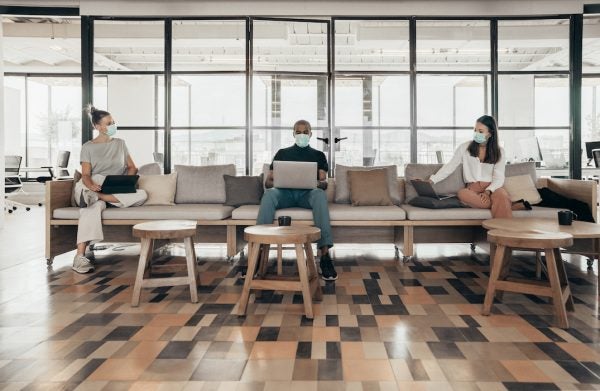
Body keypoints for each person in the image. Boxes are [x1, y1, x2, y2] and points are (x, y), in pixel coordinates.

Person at [257, 119, 337, 281]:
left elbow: (323, 183)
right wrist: (279, 182)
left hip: (306, 195)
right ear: (293, 134)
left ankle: (325, 256)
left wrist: (313, 182)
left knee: (319, 195)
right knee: (270, 194)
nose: (302, 135)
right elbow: (268, 182)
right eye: (298, 132)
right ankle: (258, 253)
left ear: (311, 134)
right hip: (284, 194)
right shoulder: (282, 153)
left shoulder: (318, 155)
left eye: (305, 132)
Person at [72, 106, 148, 273]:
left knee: (142, 194)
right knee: (91, 209)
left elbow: (132, 167)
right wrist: (91, 185)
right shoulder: (88, 147)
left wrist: (125, 182)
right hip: (94, 183)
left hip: (112, 187)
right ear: (98, 127)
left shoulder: (120, 144)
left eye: (113, 122)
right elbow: (85, 174)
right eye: (109, 123)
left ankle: (100, 197)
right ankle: (80, 257)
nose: (113, 125)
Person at [424, 115, 529, 218]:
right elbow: (450, 166)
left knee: (501, 195)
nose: (476, 134)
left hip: (493, 188)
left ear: (490, 134)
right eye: (475, 130)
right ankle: (508, 205)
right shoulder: (465, 147)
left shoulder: (499, 151)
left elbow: (499, 177)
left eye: (480, 131)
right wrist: (432, 180)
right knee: (462, 194)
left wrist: (488, 192)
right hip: (472, 190)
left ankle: (503, 229)